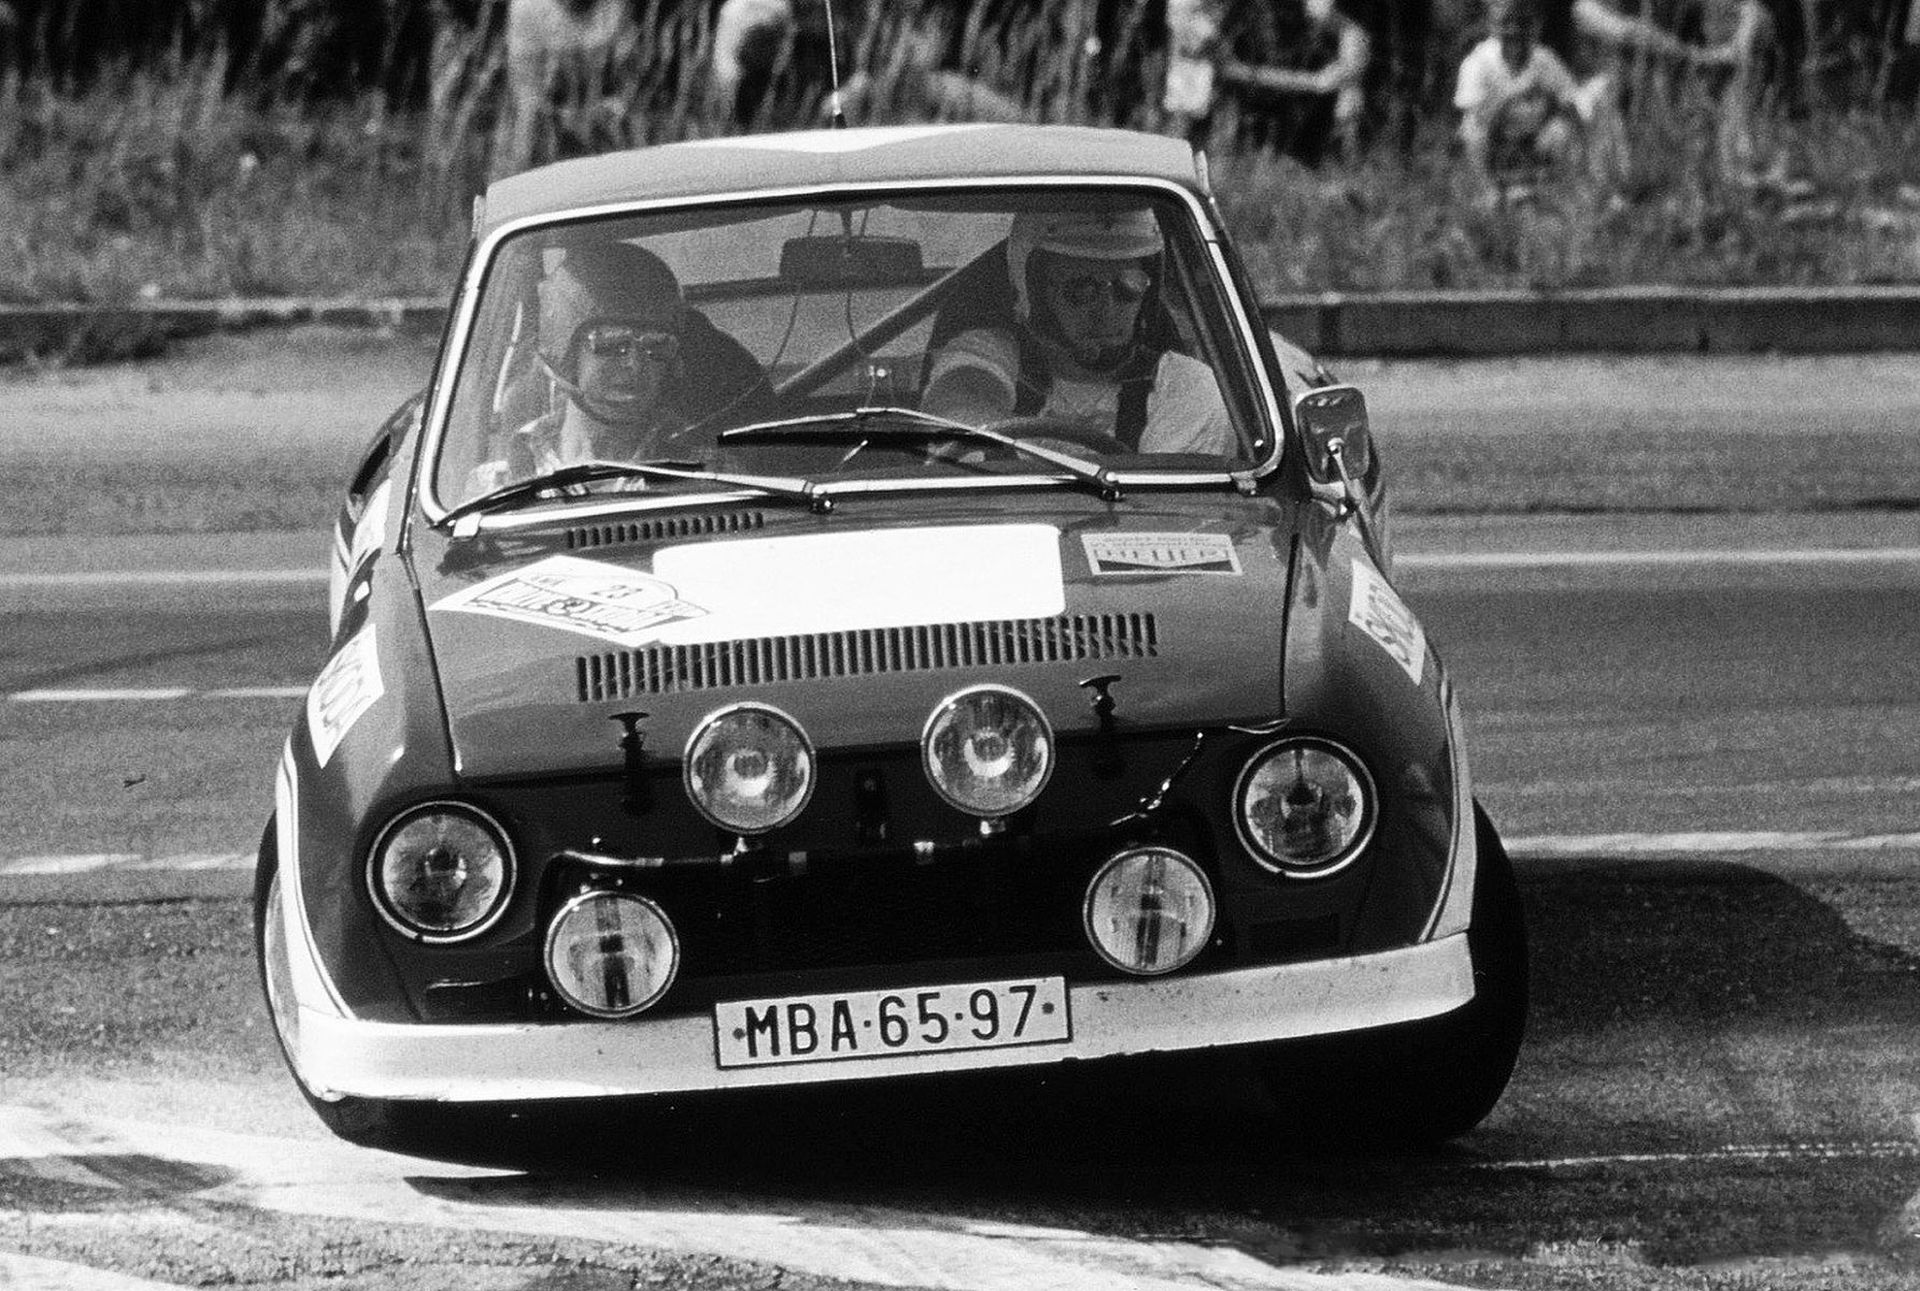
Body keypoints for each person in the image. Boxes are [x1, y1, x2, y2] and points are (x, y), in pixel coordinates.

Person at [921, 208, 1235, 457]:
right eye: (1082, 289)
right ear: (1034, 293)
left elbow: (1163, 507)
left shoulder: (1188, 386)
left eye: (1129, 286)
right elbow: (960, 404)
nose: (1107, 311)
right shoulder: (990, 352)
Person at [1454, 0, 1615, 196]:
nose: (1515, 31)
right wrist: (1512, 99)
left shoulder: (1544, 59)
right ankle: (1489, 190)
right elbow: (1475, 116)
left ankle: (1570, 183)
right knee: (1471, 129)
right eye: (1506, 23)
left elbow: (1571, 102)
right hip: (1496, 137)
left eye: (1522, 23)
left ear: (1533, 27)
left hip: (1535, 135)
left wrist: (1574, 128)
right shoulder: (1477, 62)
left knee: (1564, 127)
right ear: (1494, 27)